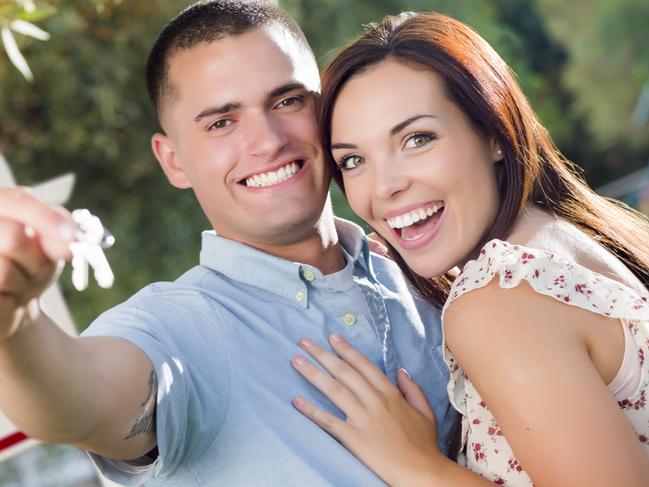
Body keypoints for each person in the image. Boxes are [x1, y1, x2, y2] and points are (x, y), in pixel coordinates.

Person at [0, 2, 456, 486]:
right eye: (221, 122)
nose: (267, 141)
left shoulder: (423, 268)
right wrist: (14, 323)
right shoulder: (175, 327)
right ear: (172, 160)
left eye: (287, 101)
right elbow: (80, 401)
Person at [290, 11, 649, 487]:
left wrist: (417, 466)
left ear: (493, 132)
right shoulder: (562, 237)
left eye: (417, 139)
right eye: (354, 161)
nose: (385, 188)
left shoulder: (499, 300)